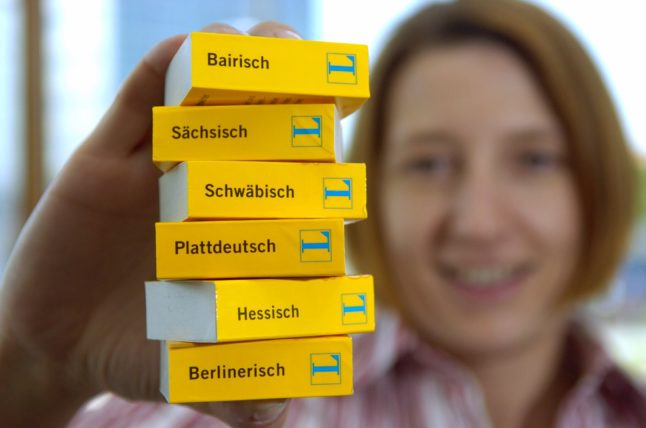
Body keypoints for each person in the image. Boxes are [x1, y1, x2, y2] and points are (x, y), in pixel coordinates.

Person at [0, 0, 642, 427]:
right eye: (428, 164)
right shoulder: (214, 397)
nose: (477, 222)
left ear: (599, 186)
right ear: (366, 193)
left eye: (533, 161)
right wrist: (37, 363)